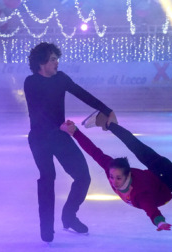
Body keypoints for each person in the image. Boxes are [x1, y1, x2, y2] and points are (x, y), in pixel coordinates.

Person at [24, 42, 117, 242]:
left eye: (57, 58)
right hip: (40, 138)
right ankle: (46, 231)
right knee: (48, 177)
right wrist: (58, 127)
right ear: (41, 64)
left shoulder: (61, 78)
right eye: (52, 59)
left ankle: (69, 216)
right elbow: (37, 111)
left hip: (60, 136)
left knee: (83, 177)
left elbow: (83, 94)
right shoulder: (31, 82)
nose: (57, 62)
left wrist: (107, 110)